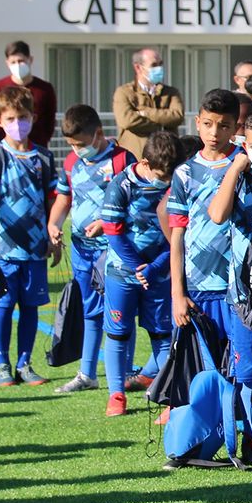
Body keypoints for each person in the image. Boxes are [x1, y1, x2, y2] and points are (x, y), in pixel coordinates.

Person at [207, 105, 252, 462]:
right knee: (250, 373)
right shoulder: (239, 176)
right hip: (244, 294)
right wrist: (236, 167)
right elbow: (217, 214)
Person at [48, 107, 134, 395]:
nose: (76, 149)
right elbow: (64, 198)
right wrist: (53, 224)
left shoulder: (122, 160)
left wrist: (107, 223)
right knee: (90, 309)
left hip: (114, 250)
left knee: (119, 311)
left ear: (98, 133)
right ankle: (87, 373)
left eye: (81, 144)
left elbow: (135, 205)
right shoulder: (71, 162)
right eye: (72, 145)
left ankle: (125, 373)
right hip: (81, 250)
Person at [0, 85, 57, 387]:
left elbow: (53, 200)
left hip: (35, 247)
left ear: (33, 118)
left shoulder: (44, 157)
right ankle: (2, 363)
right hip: (4, 247)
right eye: (10, 118)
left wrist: (53, 234)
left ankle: (24, 363)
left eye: (23, 117)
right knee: (5, 304)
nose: (17, 124)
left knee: (31, 306)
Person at [100, 130, 180, 418]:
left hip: (159, 274)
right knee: (118, 333)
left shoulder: (176, 185)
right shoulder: (121, 185)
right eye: (161, 176)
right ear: (145, 163)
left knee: (163, 335)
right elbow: (113, 231)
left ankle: (170, 397)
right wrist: (137, 267)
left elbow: (177, 235)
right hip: (122, 274)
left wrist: (155, 267)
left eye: (170, 177)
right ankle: (116, 394)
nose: (166, 182)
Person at [165, 89, 243, 373]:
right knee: (203, 371)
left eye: (223, 125)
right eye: (208, 124)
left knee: (239, 369)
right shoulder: (185, 173)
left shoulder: (245, 165)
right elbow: (177, 235)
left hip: (239, 287)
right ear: (197, 122)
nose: (214, 132)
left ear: (235, 128)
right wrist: (178, 294)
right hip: (198, 286)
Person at [0, 41, 57, 148]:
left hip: (37, 147)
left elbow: (50, 120)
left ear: (30, 60)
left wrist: (40, 141)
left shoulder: (45, 89)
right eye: (13, 62)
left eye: (21, 61)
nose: (17, 65)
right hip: (7, 148)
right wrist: (5, 143)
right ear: (7, 63)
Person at [112, 47, 184, 156]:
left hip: (168, 157)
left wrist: (144, 112)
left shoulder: (171, 92)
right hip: (135, 157)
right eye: (154, 65)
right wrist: (161, 124)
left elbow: (177, 116)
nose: (159, 68)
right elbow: (126, 121)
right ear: (138, 67)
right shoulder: (124, 92)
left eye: (160, 64)